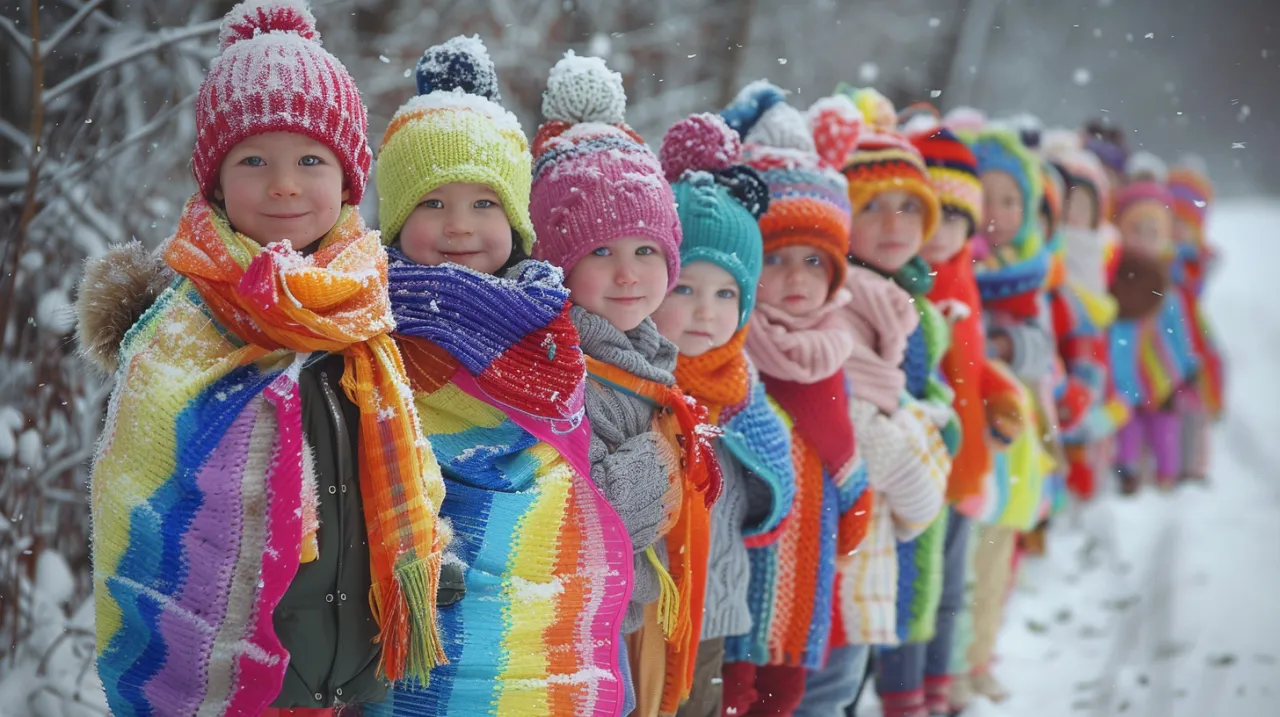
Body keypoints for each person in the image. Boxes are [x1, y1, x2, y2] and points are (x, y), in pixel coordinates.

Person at [76, 2, 445, 714]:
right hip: (251, 684)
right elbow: (144, 510)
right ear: (214, 182)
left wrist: (428, 560)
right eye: (255, 160)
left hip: (365, 676)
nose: (284, 183)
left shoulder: (364, 320)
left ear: (347, 180)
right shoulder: (179, 337)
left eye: (311, 159)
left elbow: (409, 472)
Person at [367, 37, 632, 716]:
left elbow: (569, 473)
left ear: (516, 219)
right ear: (396, 219)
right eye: (432, 203)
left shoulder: (549, 326)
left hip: (542, 618)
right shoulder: (374, 327)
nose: (459, 226)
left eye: (485, 203)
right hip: (436, 616)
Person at [529, 51, 719, 717]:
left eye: (645, 250)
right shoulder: (562, 360)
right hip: (571, 631)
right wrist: (665, 461)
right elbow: (580, 513)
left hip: (622, 617)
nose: (628, 273)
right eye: (600, 252)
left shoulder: (644, 350)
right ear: (558, 263)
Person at [651, 112, 796, 717]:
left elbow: (772, 487)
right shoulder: (636, 382)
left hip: (711, 611)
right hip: (639, 609)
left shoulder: (743, 393)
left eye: (725, 294)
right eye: (685, 288)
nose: (705, 312)